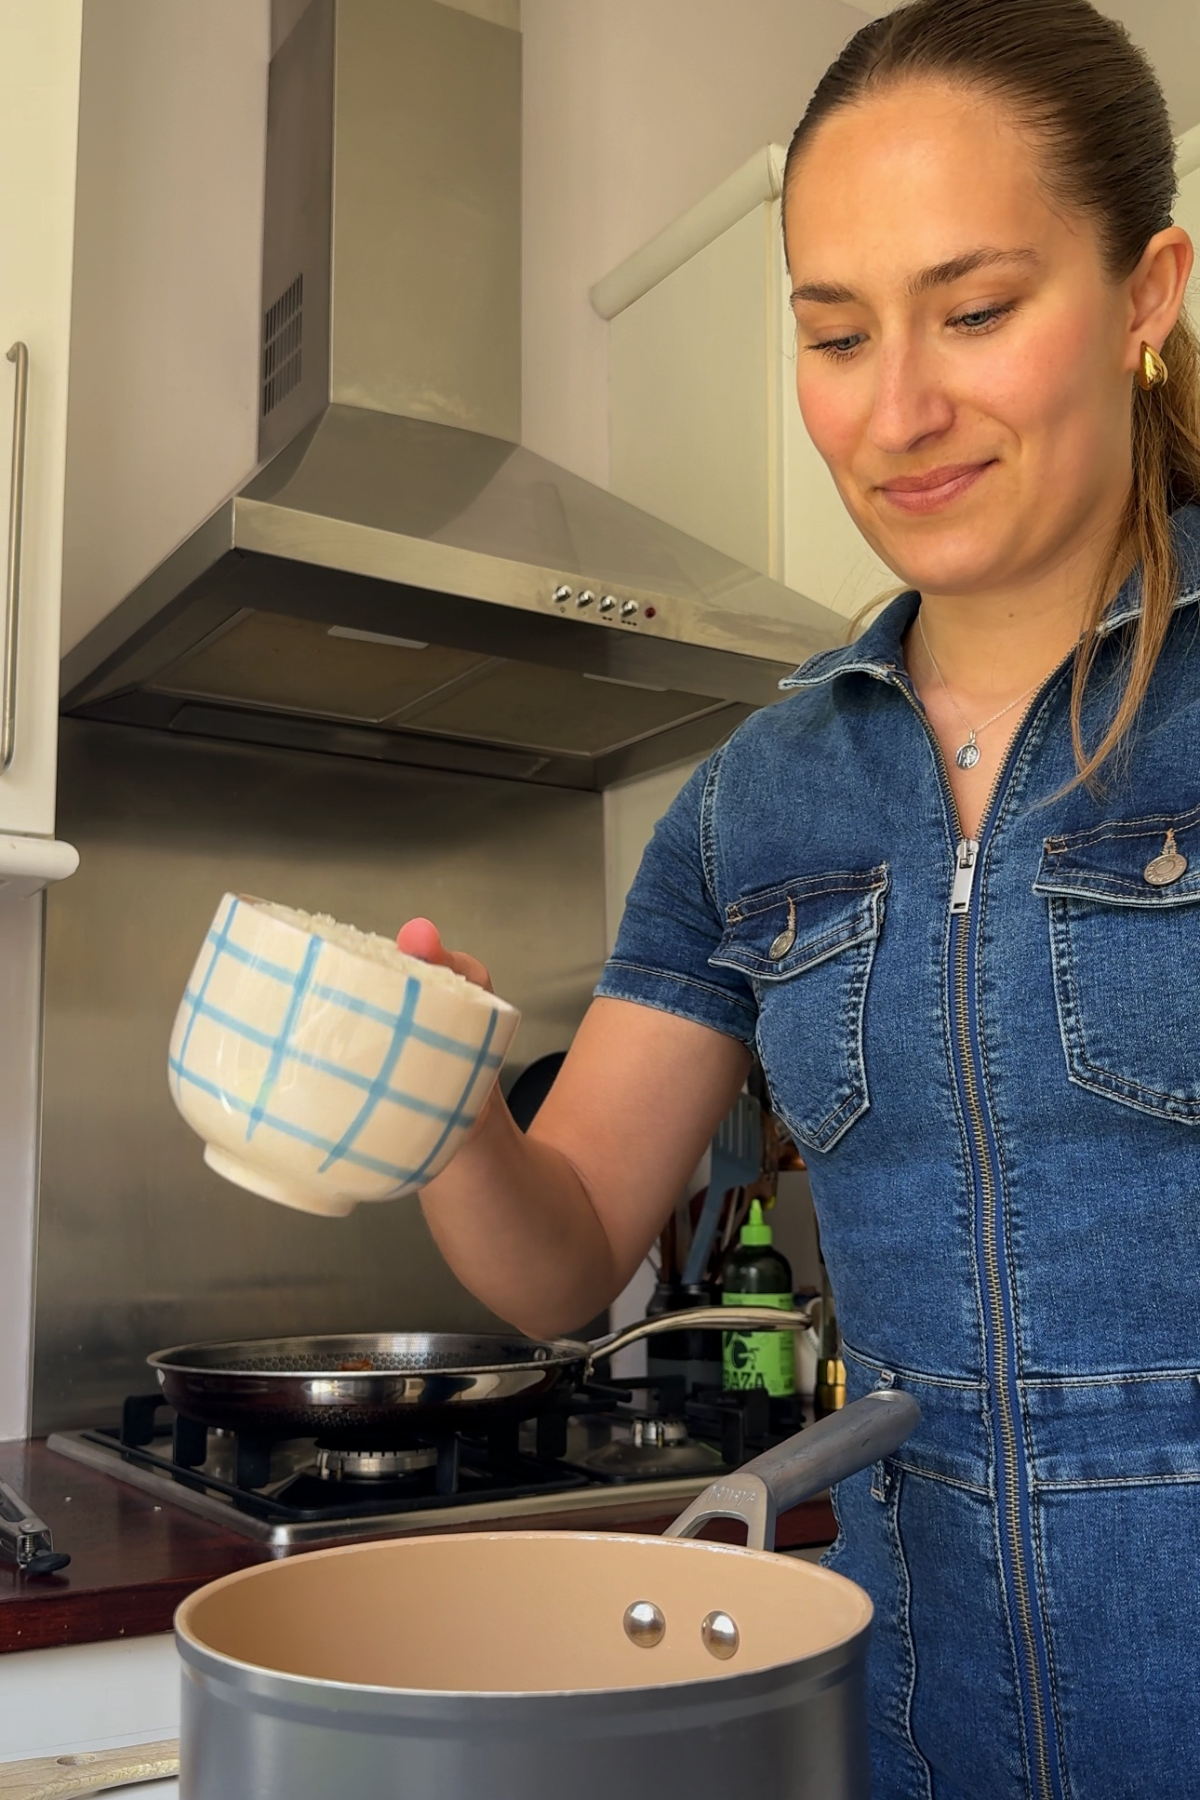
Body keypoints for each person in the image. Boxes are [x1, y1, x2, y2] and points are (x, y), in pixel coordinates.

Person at [398, 1, 1200, 1793]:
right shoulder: (756, 803)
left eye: (975, 312)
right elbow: (561, 1259)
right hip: (925, 1733)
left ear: (1147, 292)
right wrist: (443, 1103)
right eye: (836, 334)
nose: (898, 408)